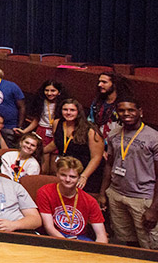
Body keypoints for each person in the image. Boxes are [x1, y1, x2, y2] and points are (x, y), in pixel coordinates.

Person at [98, 97, 158, 249]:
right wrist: (103, 193)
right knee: (128, 242)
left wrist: (154, 208)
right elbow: (109, 164)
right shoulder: (114, 134)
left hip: (142, 198)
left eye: (131, 110)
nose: (126, 114)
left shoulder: (153, 137)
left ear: (140, 112)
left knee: (149, 245)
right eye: (122, 110)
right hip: (117, 195)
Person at [38, 157, 107, 242]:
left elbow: (101, 235)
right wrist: (69, 245)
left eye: (72, 177)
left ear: (79, 178)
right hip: (55, 237)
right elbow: (49, 227)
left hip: (80, 238)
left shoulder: (90, 201)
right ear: (57, 174)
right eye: (63, 175)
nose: (67, 180)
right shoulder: (45, 192)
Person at [42, 99, 104, 194]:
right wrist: (40, 151)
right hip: (67, 170)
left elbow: (96, 157)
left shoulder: (90, 131)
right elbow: (57, 142)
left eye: (72, 110)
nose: (68, 113)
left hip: (86, 173)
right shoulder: (57, 123)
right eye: (65, 109)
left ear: (78, 112)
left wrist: (84, 176)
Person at [89, 72, 132, 139]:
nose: (99, 85)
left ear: (114, 84)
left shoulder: (124, 105)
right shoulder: (97, 102)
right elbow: (91, 121)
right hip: (97, 139)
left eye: (104, 82)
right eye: (99, 82)